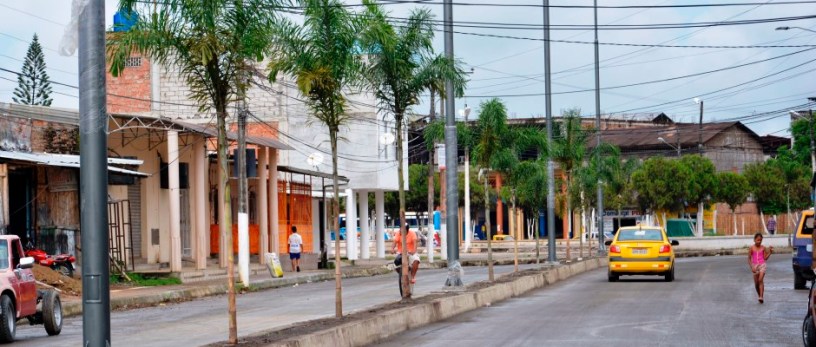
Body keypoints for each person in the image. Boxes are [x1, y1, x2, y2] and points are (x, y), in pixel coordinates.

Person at [748, 233, 773, 304]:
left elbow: (765, 258)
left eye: (760, 240)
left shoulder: (763, 248)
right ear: (754, 240)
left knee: (760, 280)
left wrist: (770, 252)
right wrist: (752, 267)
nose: (759, 242)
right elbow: (749, 259)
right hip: (755, 266)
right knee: (756, 284)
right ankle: (759, 296)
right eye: (758, 240)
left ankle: (761, 296)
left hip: (762, 265)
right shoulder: (751, 248)